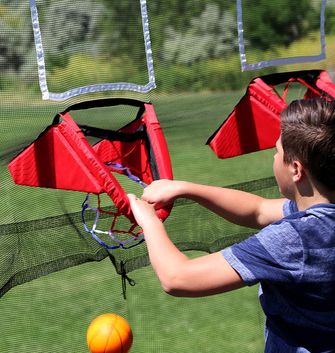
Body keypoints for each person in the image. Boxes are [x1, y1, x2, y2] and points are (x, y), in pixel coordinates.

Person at [127, 97, 335, 353]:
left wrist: (147, 219)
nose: (274, 157)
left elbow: (177, 277)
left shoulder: (294, 240)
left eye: (276, 151)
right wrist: (185, 188)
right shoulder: (322, 218)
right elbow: (258, 210)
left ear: (295, 169)